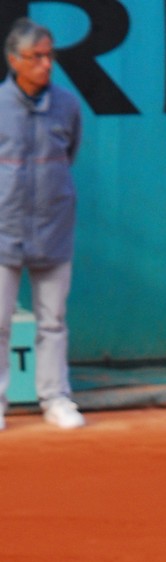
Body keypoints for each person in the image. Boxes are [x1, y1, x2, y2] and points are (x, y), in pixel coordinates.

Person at [0, 19, 84, 431]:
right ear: (15, 61)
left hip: (54, 228)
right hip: (3, 231)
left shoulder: (67, 105)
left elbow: (69, 153)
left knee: (53, 321)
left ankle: (55, 398)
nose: (47, 64)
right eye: (37, 57)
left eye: (50, 55)